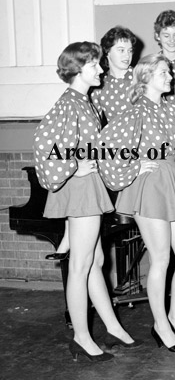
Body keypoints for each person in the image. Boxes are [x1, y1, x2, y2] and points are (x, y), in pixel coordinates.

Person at [33, 42, 139, 362]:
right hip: (80, 190)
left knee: (95, 262)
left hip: (87, 187)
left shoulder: (85, 101)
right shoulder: (68, 103)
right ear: (78, 70)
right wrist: (72, 167)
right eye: (94, 65)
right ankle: (81, 337)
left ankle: (112, 327)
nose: (101, 70)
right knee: (81, 265)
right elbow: (42, 142)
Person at [98, 54, 175, 353]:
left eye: (169, 72)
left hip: (173, 181)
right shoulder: (135, 112)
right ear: (146, 78)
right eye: (164, 73)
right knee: (161, 259)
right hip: (150, 185)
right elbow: (104, 145)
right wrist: (133, 167)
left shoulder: (173, 109)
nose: (170, 77)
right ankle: (161, 325)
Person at [46, 26, 138, 261]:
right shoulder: (83, 96)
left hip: (123, 153)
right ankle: (69, 234)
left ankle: (71, 236)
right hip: (99, 165)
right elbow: (55, 141)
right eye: (121, 49)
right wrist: (73, 167)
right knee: (85, 262)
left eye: (129, 50)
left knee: (95, 261)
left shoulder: (136, 79)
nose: (127, 55)